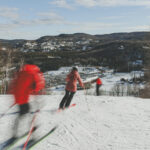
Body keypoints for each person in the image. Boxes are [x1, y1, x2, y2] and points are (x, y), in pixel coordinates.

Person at [8, 64, 45, 141]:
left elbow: (14, 84)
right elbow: (36, 87)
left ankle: (14, 133)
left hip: (18, 97)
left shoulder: (21, 72)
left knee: (22, 114)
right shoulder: (34, 74)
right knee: (31, 114)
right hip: (24, 98)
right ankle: (33, 135)